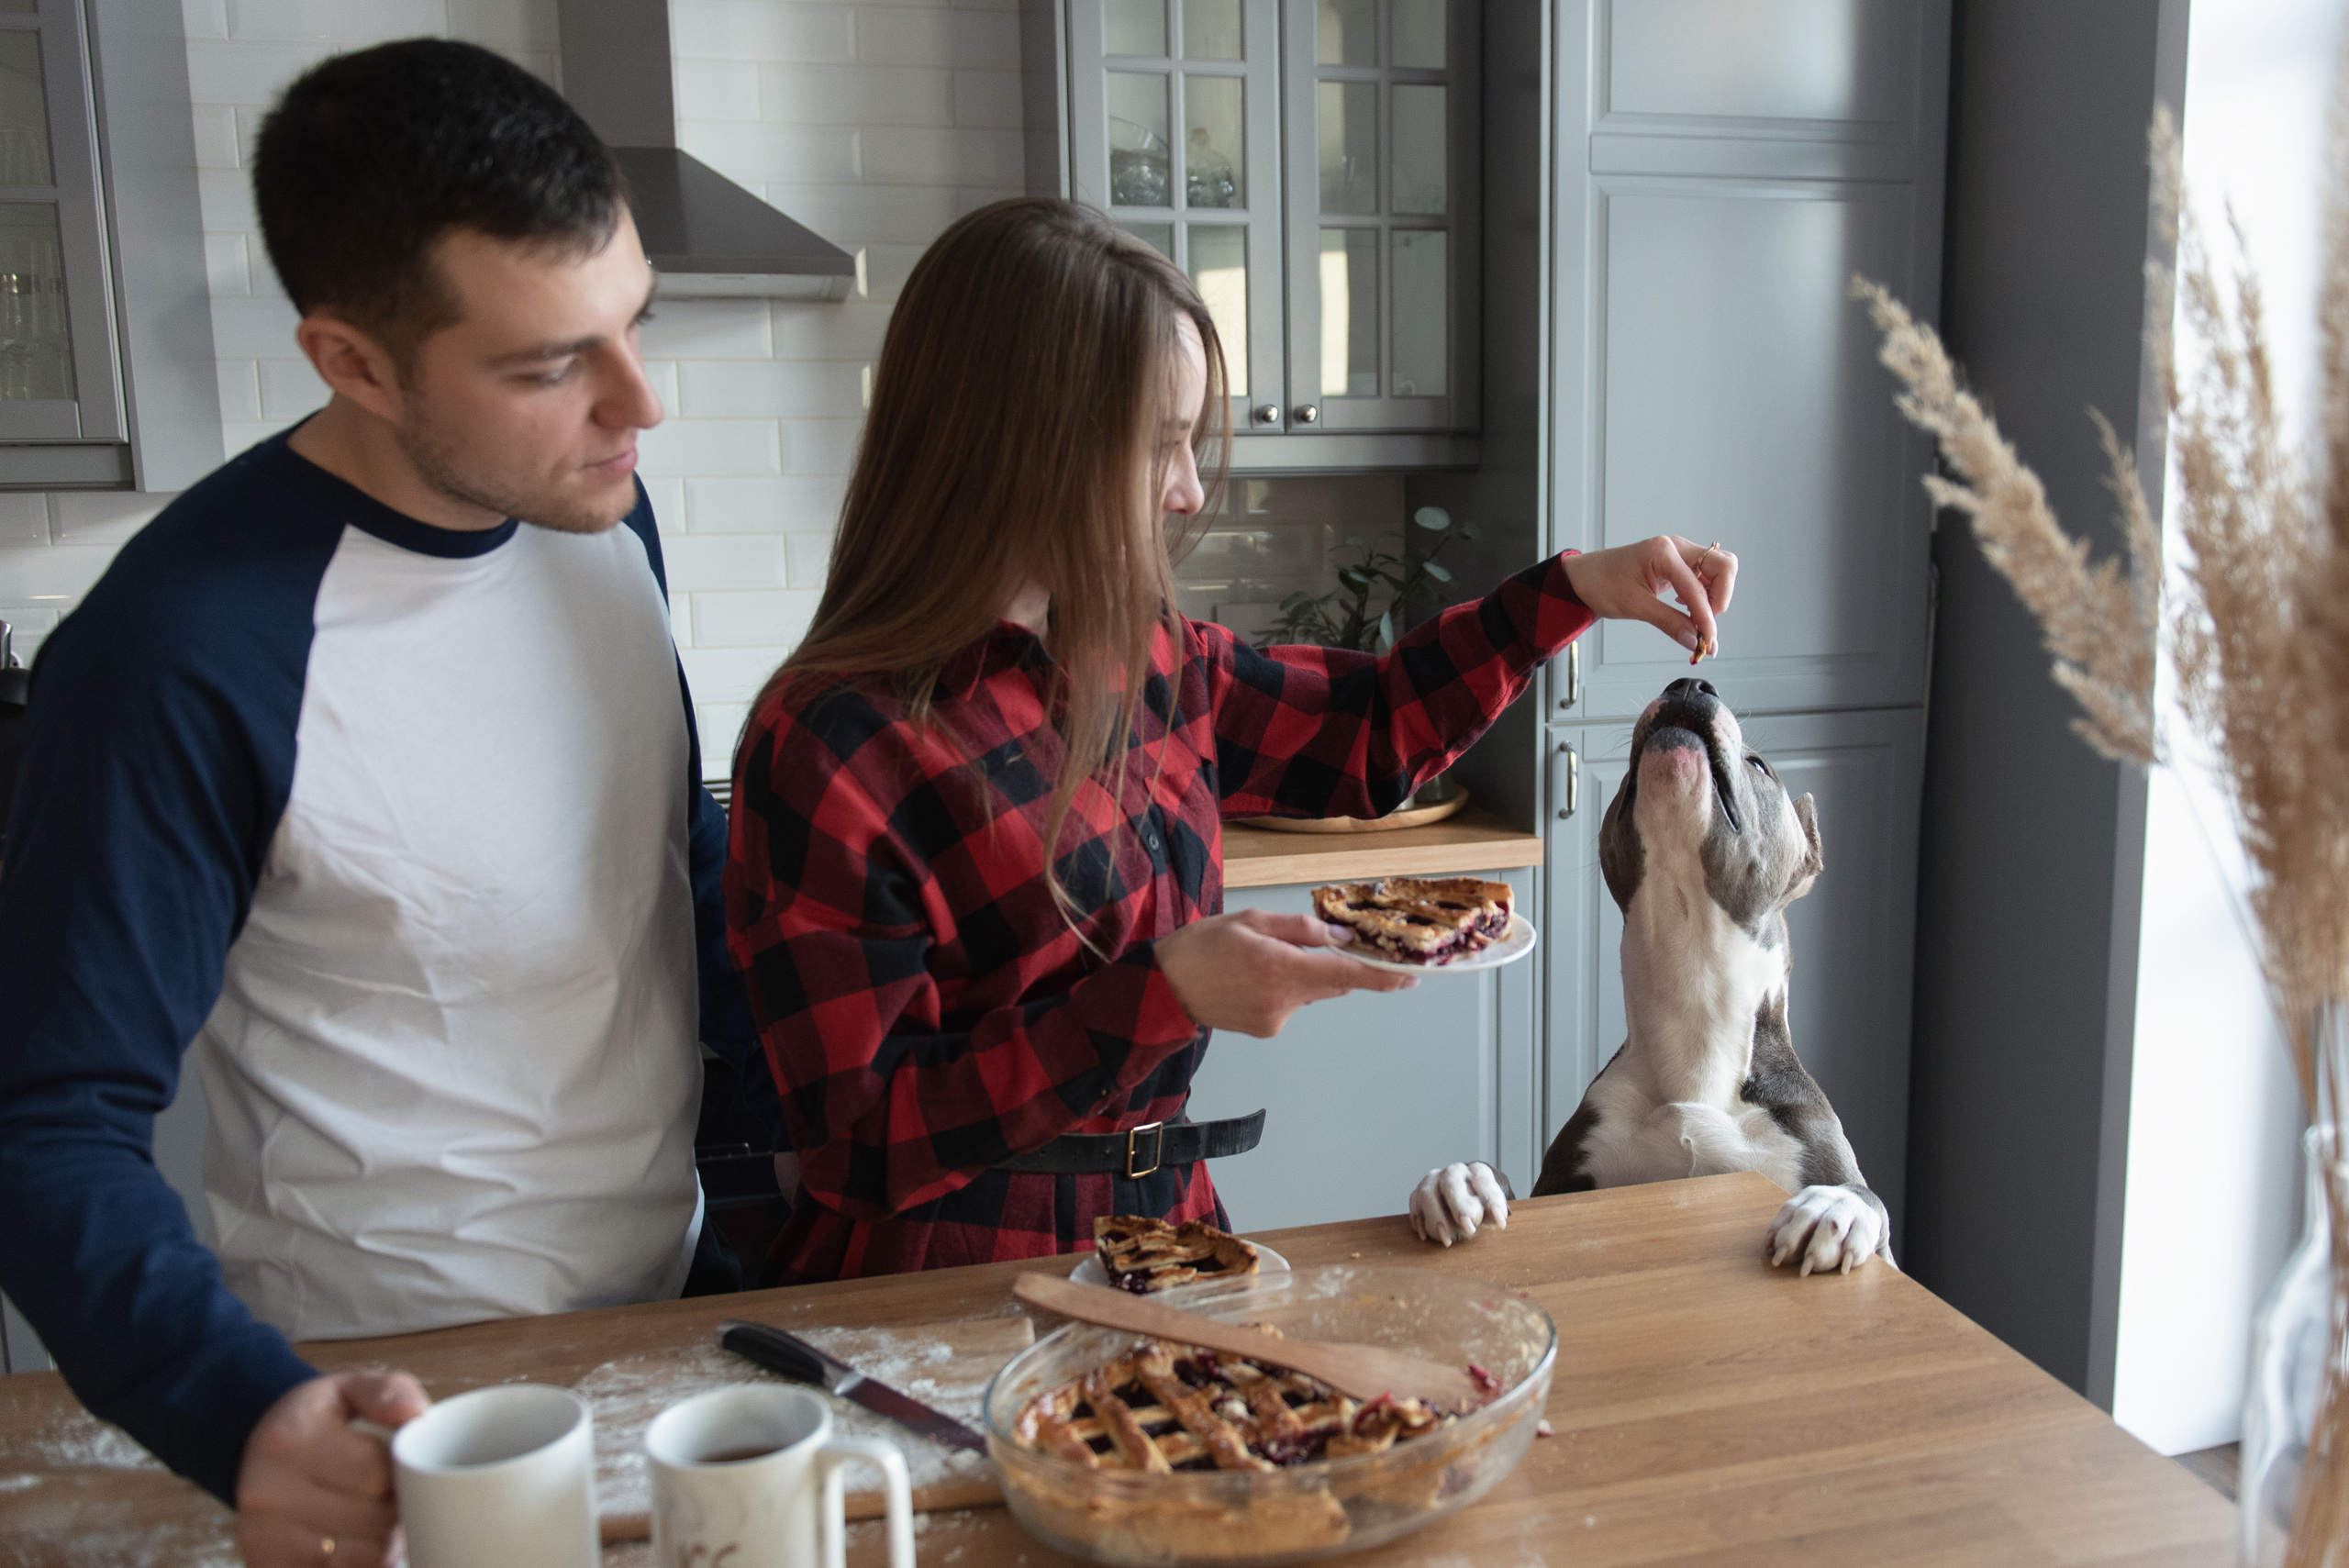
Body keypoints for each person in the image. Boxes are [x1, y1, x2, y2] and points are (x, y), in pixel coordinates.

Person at [0, 40, 765, 1568]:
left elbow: (660, 867)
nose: (641, 402)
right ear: (350, 359)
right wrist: (238, 1408)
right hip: (395, 1396)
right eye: (551, 363)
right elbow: (45, 1117)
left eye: (634, 323)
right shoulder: (185, 650)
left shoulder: (602, 511)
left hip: (674, 1315)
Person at [726, 197, 1738, 1285]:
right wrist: (1165, 993)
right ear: (1021, 445)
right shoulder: (833, 743)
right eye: (1158, 444)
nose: (1188, 489)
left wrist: (1574, 590)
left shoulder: (1144, 655)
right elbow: (856, 1137)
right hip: (943, 1278)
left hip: (1165, 1237)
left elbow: (1367, 728)